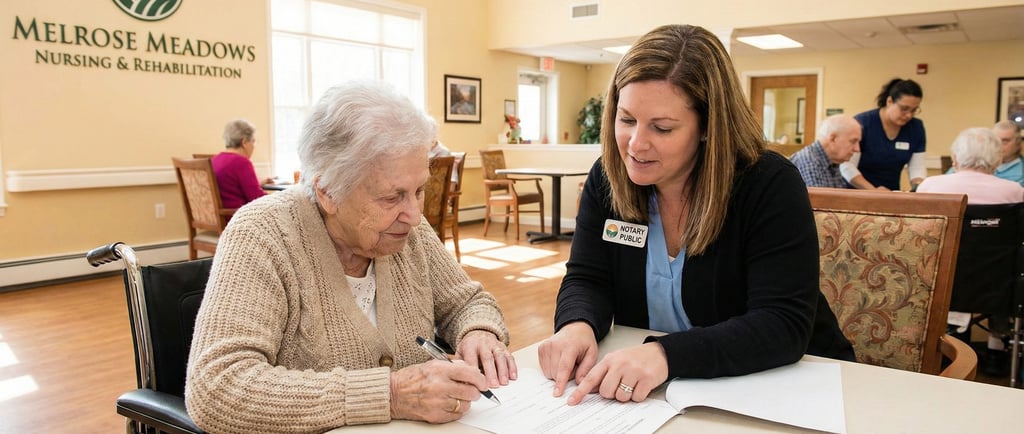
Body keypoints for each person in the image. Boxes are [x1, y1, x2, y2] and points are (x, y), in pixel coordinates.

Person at [536, 24, 855, 407]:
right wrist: (577, 325)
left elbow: (782, 323)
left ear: (708, 127)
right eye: (626, 120)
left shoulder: (768, 184)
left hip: (784, 386)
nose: (636, 145)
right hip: (663, 396)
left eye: (663, 127)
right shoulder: (608, 178)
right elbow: (588, 278)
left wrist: (665, 355)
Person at [185, 81, 517, 433]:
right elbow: (216, 388)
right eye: (392, 197)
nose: (415, 215)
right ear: (327, 191)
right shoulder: (263, 233)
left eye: (419, 190)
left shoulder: (406, 231)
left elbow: (467, 301)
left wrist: (478, 332)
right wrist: (390, 394)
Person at [916, 127, 1024, 375]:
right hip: (997, 286)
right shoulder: (1015, 192)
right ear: (997, 159)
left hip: (940, 282)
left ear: (955, 158)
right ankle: (997, 347)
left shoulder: (931, 187)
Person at [840, 78, 926, 191]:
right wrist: (873, 191)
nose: (909, 115)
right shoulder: (863, 123)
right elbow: (847, 166)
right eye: (904, 109)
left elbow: (917, 166)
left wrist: (918, 186)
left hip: (891, 193)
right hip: (858, 192)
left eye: (914, 110)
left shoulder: (916, 128)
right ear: (889, 101)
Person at [790, 114, 862, 188]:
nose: (857, 149)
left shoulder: (832, 161)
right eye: (853, 141)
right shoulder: (809, 162)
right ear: (833, 139)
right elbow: (819, 199)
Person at [211, 119, 269, 209]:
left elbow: (231, 188)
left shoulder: (215, 160)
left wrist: (257, 183)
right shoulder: (241, 163)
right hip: (238, 218)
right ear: (244, 142)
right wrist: (279, 198)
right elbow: (257, 198)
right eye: (253, 141)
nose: (254, 146)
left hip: (222, 218)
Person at [992, 120, 1024, 185]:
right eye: (995, 140)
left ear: (1018, 143)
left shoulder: (1021, 174)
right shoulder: (983, 165)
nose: (999, 144)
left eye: (1005, 141)